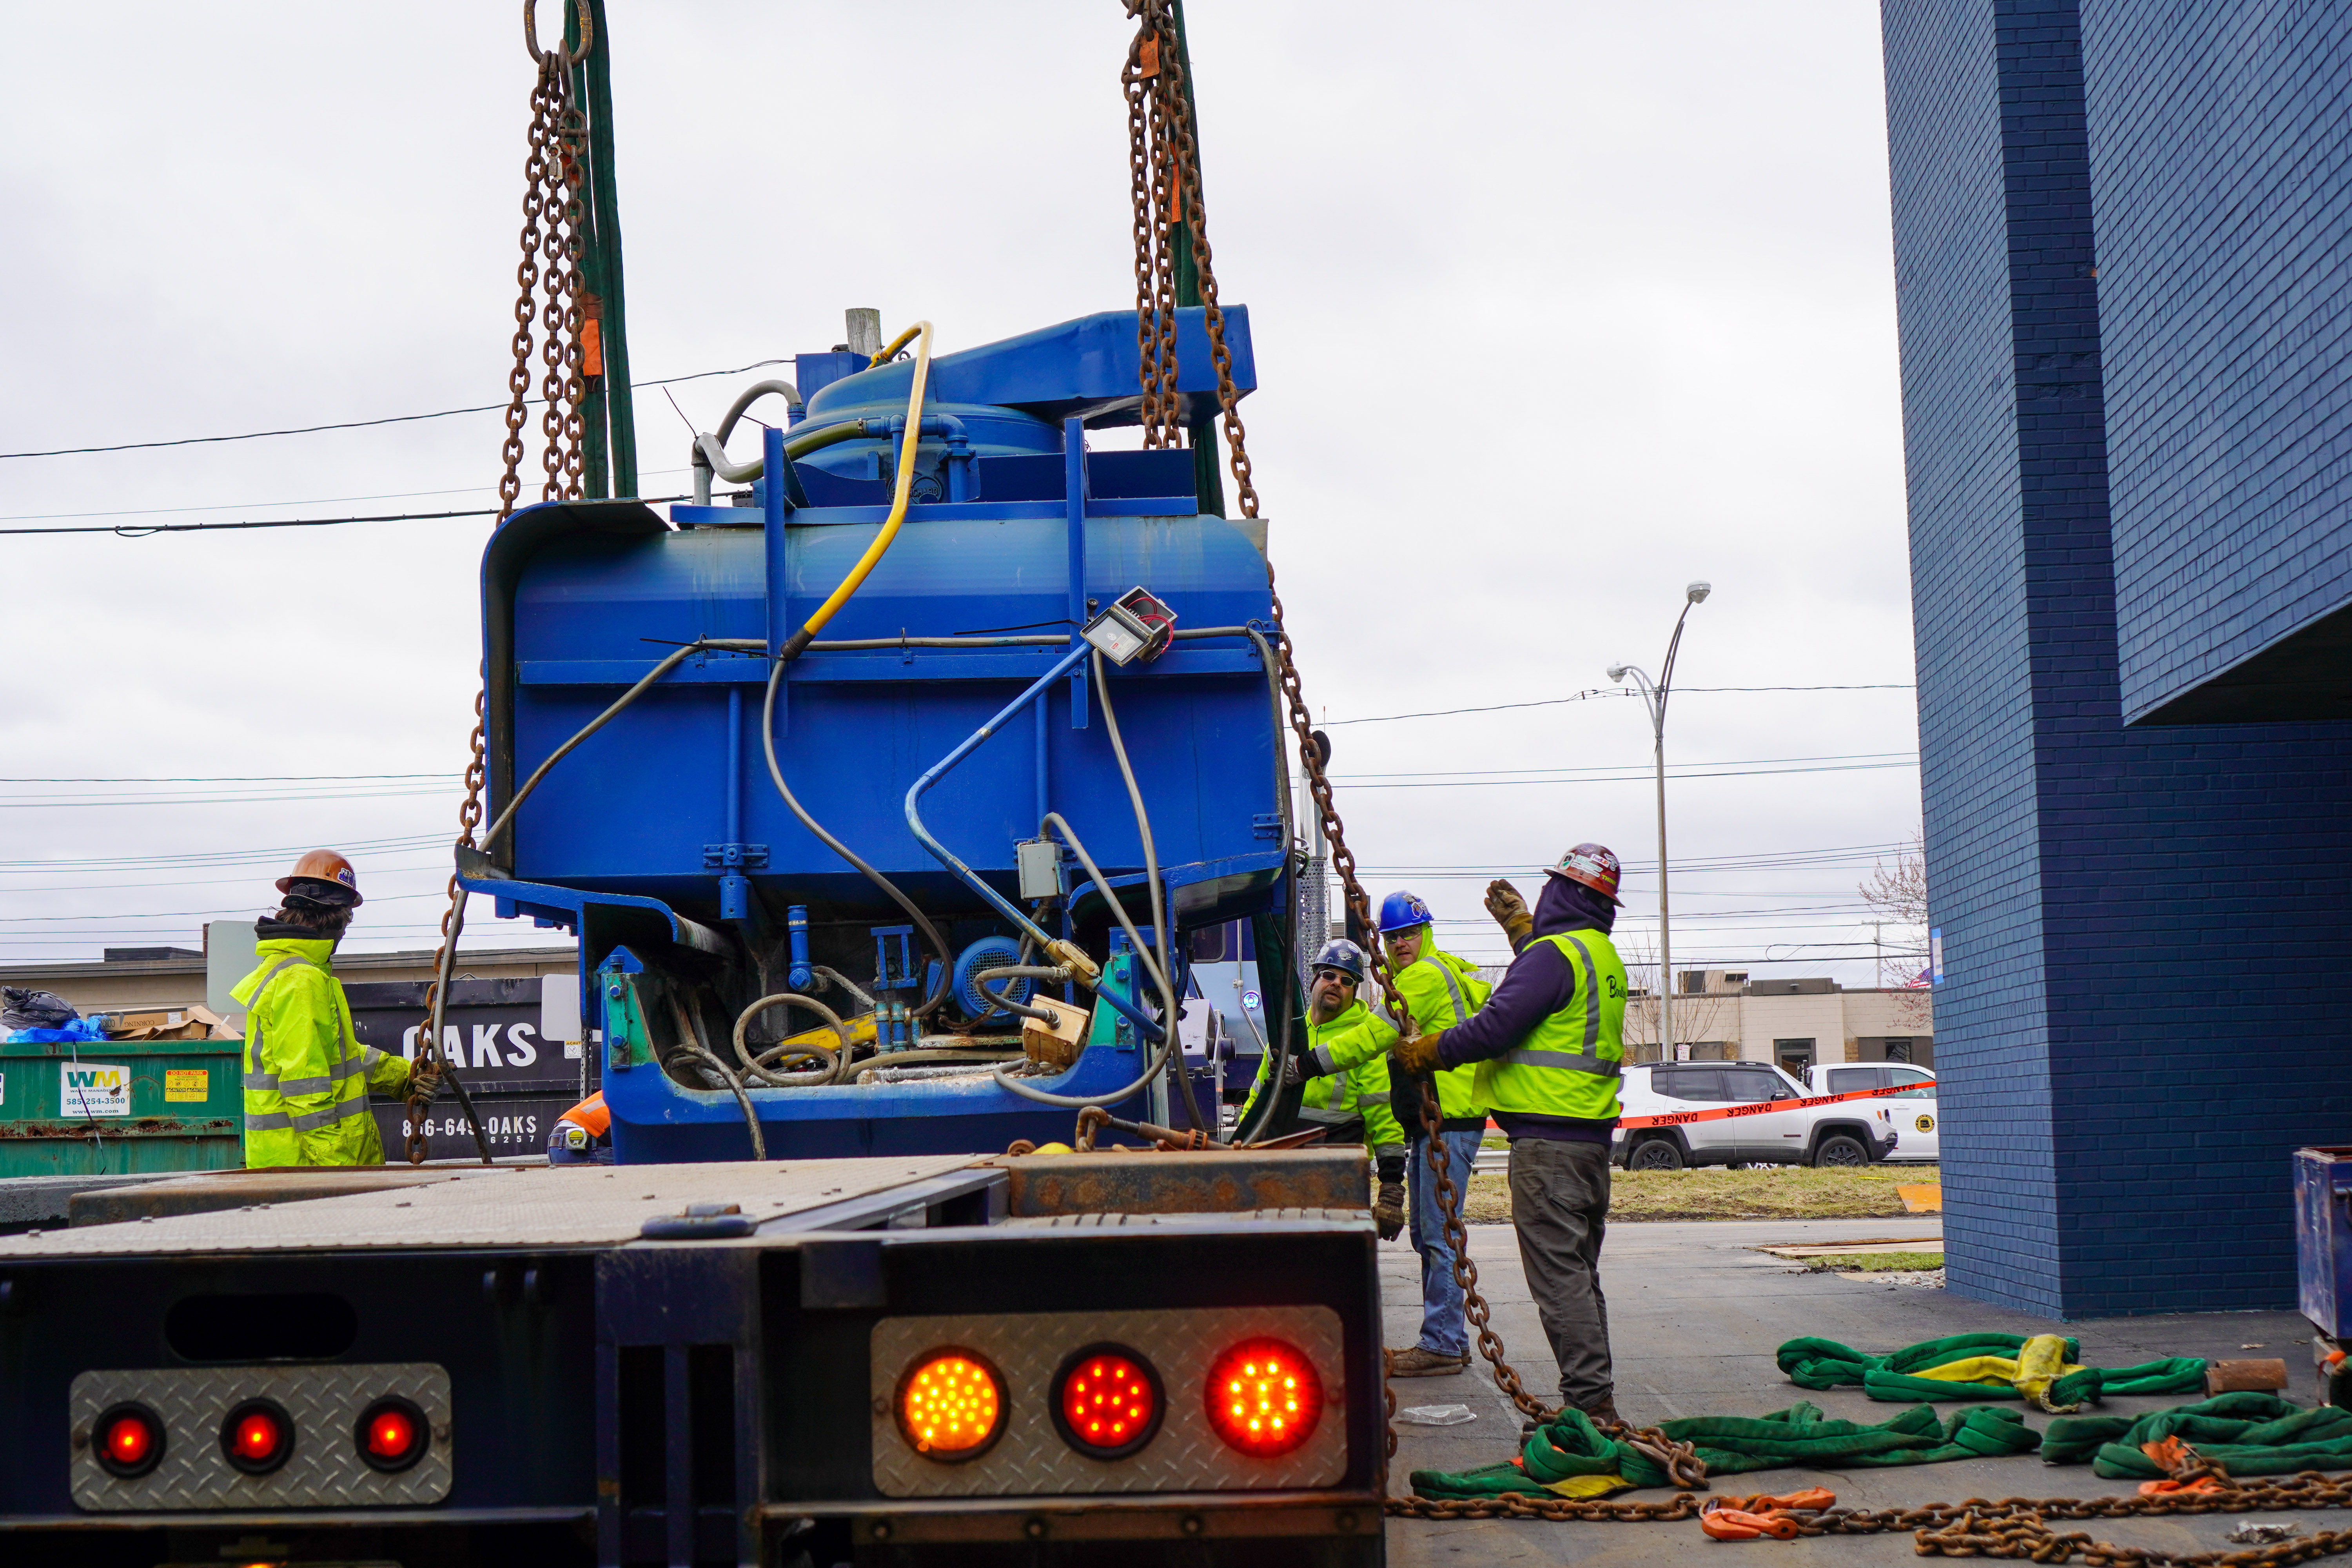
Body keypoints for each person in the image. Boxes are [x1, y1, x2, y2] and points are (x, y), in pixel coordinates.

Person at [1394, 843, 1628, 1425]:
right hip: (1588, 1144)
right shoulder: (1600, 955)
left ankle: (1591, 1407)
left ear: (1565, 897)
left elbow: (1498, 1026)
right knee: (1579, 1275)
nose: (1543, 898)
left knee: (1560, 1281)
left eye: (1552, 891)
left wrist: (1429, 1051)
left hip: (1548, 1147)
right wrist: (1522, 933)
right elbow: (1550, 990)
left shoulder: (1554, 955)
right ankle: (1594, 1394)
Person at [1310, 891, 1491, 1377]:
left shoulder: (1425, 977)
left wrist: (1310, 1062)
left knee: (1436, 1233)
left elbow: (1372, 1036)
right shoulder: (1445, 970)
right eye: (1393, 938)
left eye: (1409, 934)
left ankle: (1442, 1344)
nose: (1400, 945)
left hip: (1447, 1121)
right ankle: (1448, 1337)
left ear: (1425, 933)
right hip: (1439, 1121)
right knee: (1429, 1232)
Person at [233, 850, 440, 1168]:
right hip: (306, 1170)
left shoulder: (291, 969)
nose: (344, 933)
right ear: (334, 919)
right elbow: (306, 1089)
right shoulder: (301, 980)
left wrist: (403, 1076)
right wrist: (339, 1168)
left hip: (293, 1164)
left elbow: (338, 1058)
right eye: (346, 921)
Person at [1241, 940, 1408, 1240]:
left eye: (1347, 981)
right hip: (1281, 1169)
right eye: (1329, 976)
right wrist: (1237, 1150)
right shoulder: (1288, 1034)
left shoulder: (1363, 1045)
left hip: (1337, 1177)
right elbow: (1256, 1100)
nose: (1336, 985)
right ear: (1315, 978)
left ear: (1354, 992)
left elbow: (1384, 1117)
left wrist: (1392, 1188)